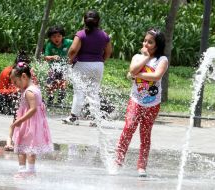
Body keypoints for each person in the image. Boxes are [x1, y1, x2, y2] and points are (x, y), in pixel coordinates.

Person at [114, 28, 168, 177]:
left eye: (150, 42)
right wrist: (145, 58)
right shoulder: (138, 56)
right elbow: (132, 69)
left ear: (158, 45)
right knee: (128, 128)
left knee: (145, 134)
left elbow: (156, 76)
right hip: (135, 100)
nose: (146, 43)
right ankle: (118, 161)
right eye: (145, 41)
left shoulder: (162, 60)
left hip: (152, 103)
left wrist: (136, 74)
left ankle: (141, 166)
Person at [62, 10, 112, 125]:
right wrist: (101, 60)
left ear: (84, 20)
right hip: (98, 66)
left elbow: (73, 50)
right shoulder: (104, 35)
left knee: (79, 91)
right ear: (98, 21)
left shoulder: (81, 34)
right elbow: (108, 52)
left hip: (82, 64)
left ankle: (73, 117)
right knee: (94, 91)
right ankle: (96, 118)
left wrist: (69, 60)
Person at [8, 61, 53, 178]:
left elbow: (32, 109)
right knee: (30, 147)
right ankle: (31, 171)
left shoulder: (28, 92)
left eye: (15, 82)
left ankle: (23, 171)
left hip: (28, 122)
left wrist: (19, 121)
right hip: (34, 122)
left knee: (21, 145)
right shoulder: (34, 87)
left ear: (23, 77)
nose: (15, 85)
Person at [44, 25, 73, 105]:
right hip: (53, 68)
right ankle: (50, 100)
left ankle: (61, 101)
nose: (56, 38)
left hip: (65, 67)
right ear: (50, 38)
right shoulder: (49, 45)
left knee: (63, 84)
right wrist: (52, 57)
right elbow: (46, 57)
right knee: (50, 84)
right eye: (54, 37)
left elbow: (77, 46)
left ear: (62, 36)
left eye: (59, 36)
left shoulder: (68, 42)